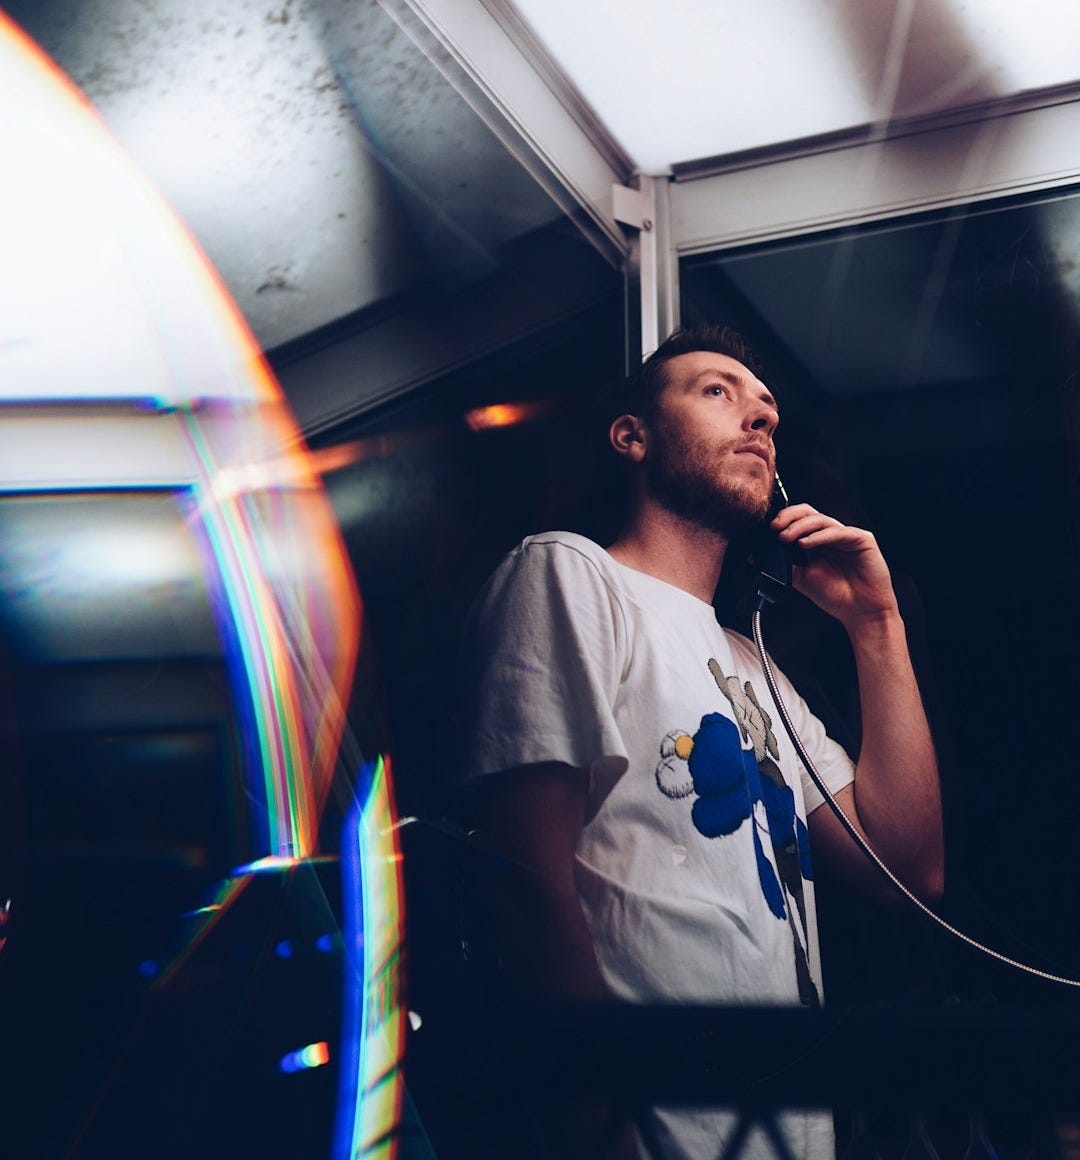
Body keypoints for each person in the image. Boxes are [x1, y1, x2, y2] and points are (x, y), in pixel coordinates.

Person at [458, 324, 943, 1159]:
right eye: (718, 392)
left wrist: (876, 624)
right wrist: (595, 1122)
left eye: (768, 412)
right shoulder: (571, 576)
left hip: (781, 1132)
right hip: (648, 1132)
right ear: (632, 436)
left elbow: (907, 866)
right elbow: (524, 876)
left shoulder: (753, 665)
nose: (757, 419)